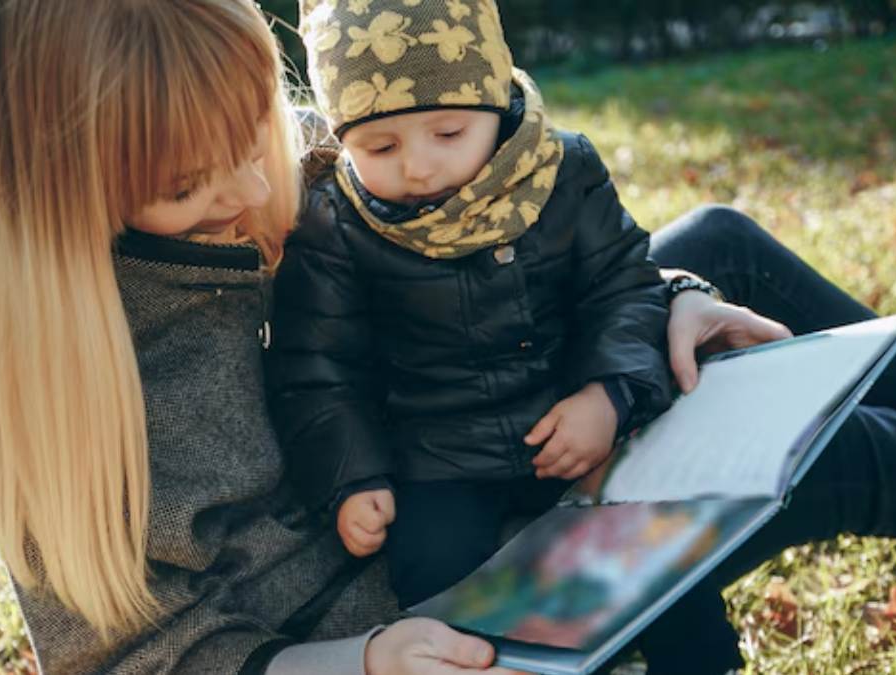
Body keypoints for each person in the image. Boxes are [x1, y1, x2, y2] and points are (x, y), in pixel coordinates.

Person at [0, 0, 896, 673]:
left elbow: (491, 272)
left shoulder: (325, 177)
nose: (253, 186)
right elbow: (136, 662)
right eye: (187, 187)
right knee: (829, 455)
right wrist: (366, 657)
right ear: (59, 199)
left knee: (720, 243)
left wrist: (668, 297)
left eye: (255, 133)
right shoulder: (66, 391)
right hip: (451, 584)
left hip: (512, 432)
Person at [269, 0, 675, 614]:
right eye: (379, 147)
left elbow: (623, 287)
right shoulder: (336, 224)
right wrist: (354, 478)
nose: (419, 165)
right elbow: (319, 368)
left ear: (495, 103)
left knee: (659, 561)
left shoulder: (561, 172)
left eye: (450, 133)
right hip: (437, 462)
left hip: (574, 427)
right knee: (435, 582)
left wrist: (609, 394)